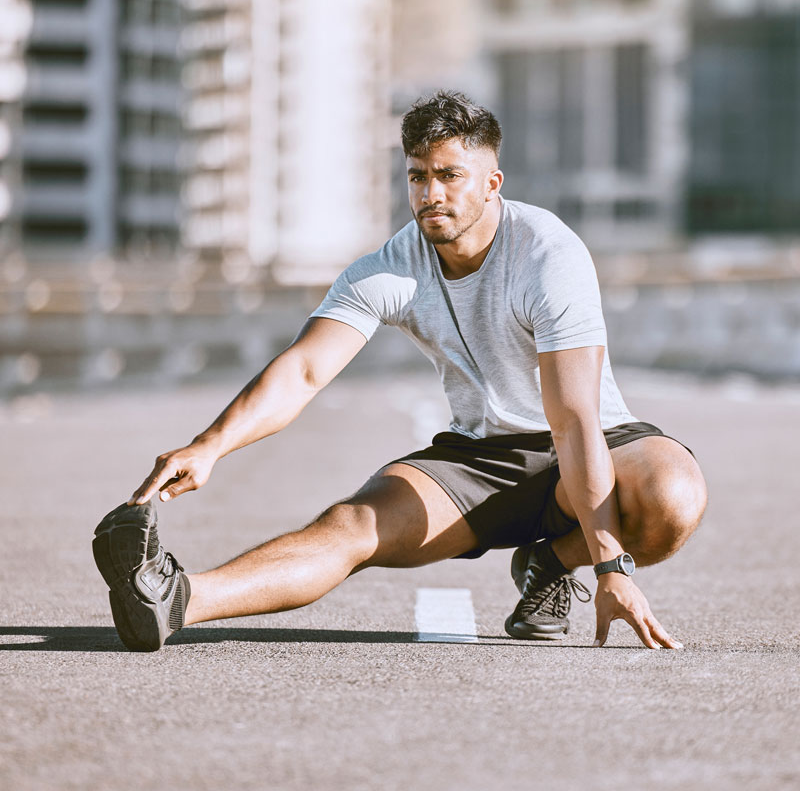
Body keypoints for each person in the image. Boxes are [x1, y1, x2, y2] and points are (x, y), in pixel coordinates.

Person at [92, 90, 707, 653]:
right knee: (352, 526)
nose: (430, 193)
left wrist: (607, 566)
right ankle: (175, 598)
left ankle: (552, 563)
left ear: (492, 183)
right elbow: (304, 370)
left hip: (595, 441)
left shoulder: (548, 254)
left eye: (449, 176)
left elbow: (574, 422)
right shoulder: (393, 267)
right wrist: (211, 445)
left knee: (672, 495)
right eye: (417, 176)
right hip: (482, 457)